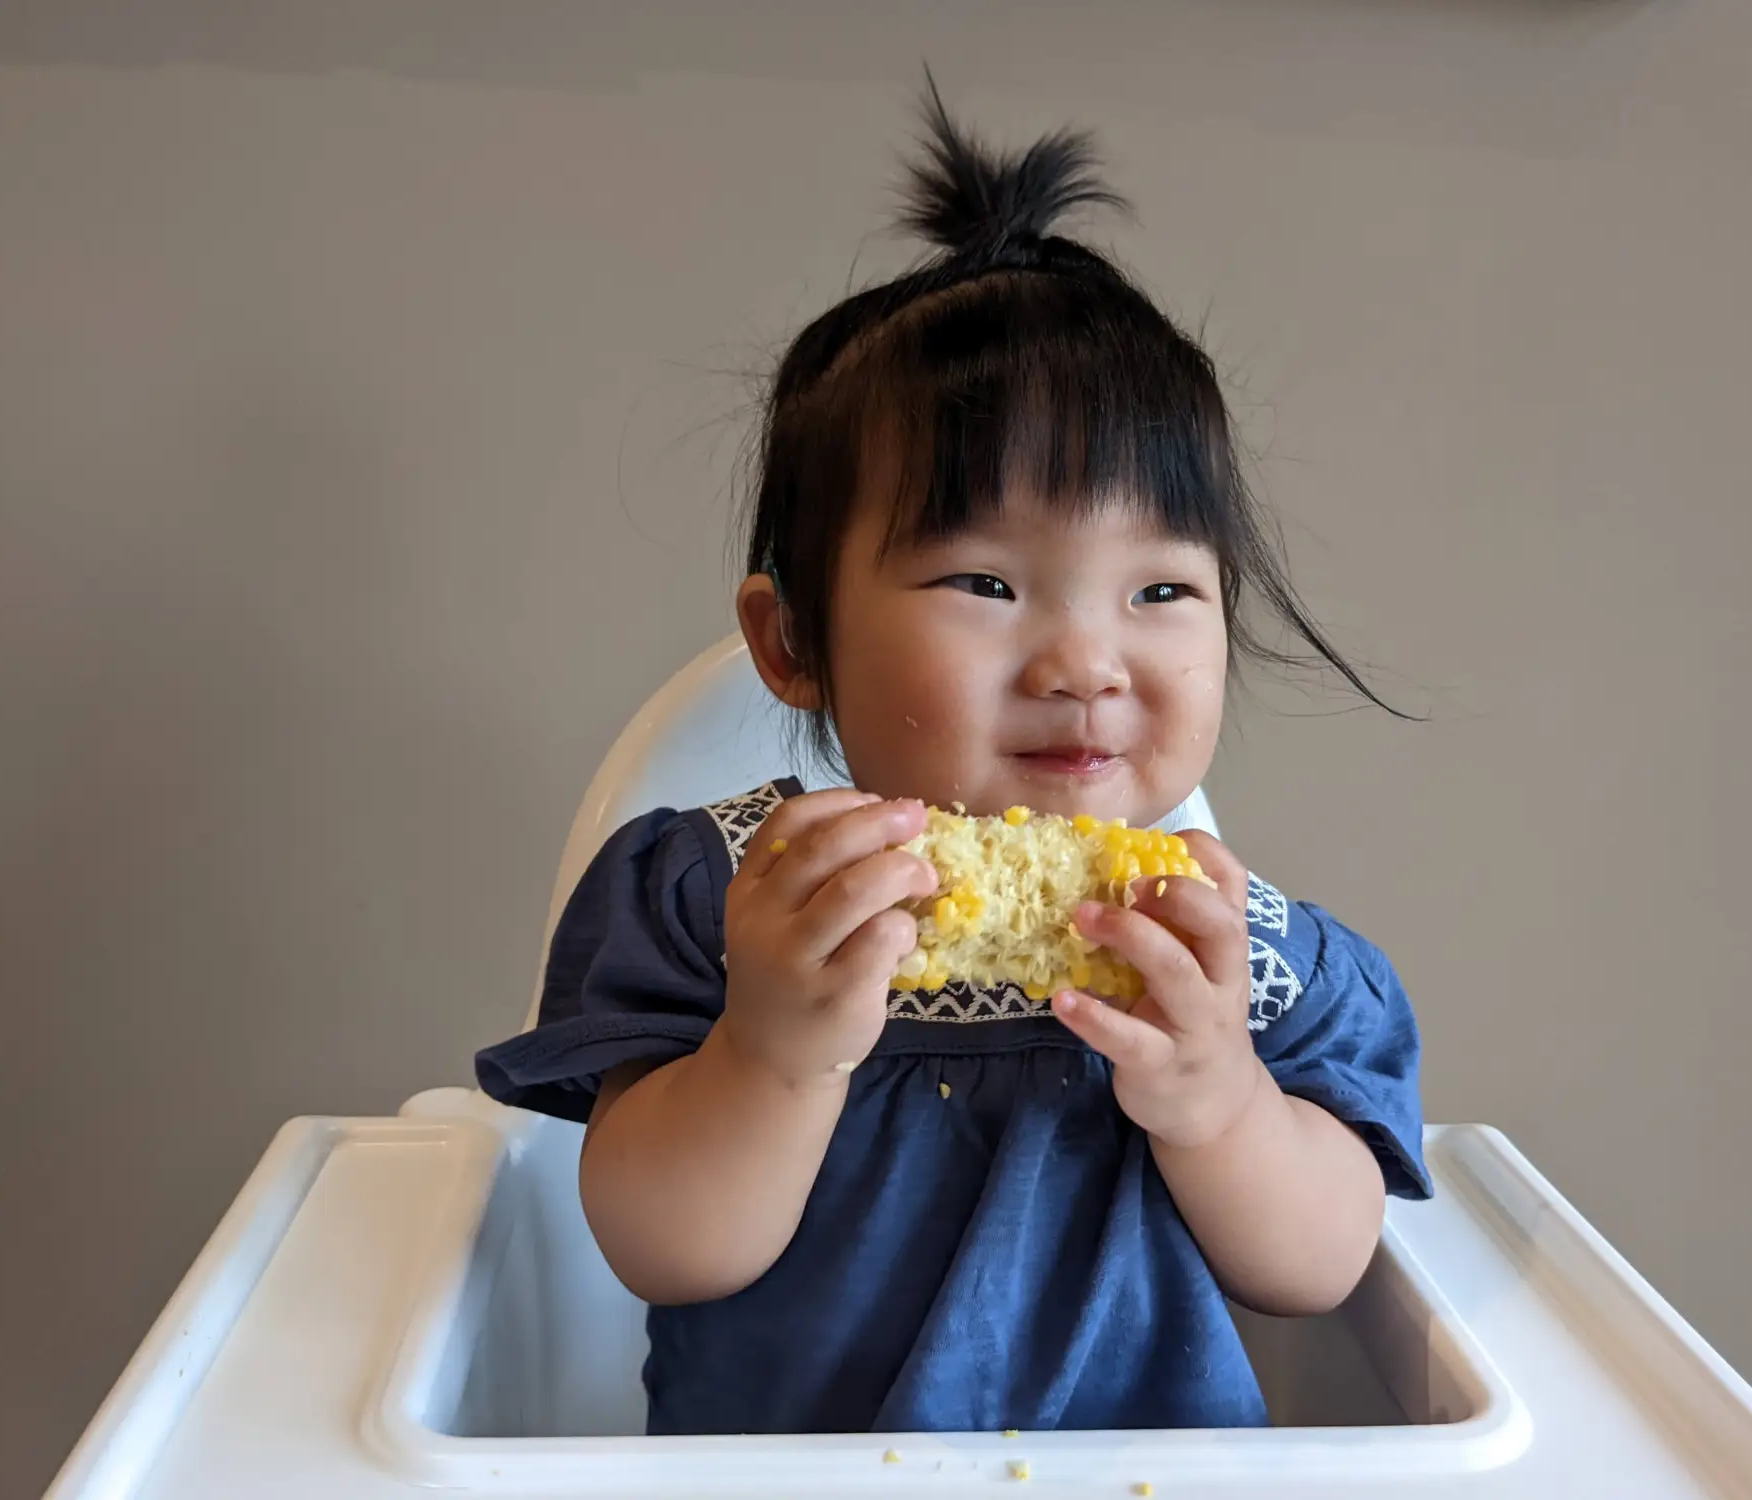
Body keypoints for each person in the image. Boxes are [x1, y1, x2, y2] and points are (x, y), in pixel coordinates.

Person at [475, 82, 1429, 1437]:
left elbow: (1322, 1271)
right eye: (985, 582)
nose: (1087, 661)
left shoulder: (1245, 956)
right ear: (792, 642)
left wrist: (1221, 1100)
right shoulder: (720, 899)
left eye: (1160, 592)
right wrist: (771, 1056)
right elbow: (657, 1247)